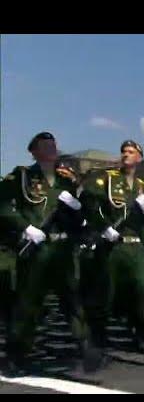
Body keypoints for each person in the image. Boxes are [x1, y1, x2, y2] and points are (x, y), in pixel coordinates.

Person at [79, 140, 144, 371]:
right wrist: (104, 227)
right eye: (123, 151)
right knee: (106, 295)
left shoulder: (143, 188)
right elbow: (89, 204)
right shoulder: (108, 179)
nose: (125, 155)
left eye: (131, 152)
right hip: (113, 246)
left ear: (139, 157)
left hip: (134, 247)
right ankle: (96, 343)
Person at [0, 132, 87, 374]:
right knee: (29, 304)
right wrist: (24, 227)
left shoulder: (66, 180)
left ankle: (87, 348)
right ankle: (17, 355)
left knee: (73, 300)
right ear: (34, 151)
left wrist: (77, 206)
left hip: (62, 250)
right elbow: (2, 205)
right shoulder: (22, 176)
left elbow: (80, 219)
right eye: (45, 145)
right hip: (37, 249)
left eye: (53, 145)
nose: (51, 148)